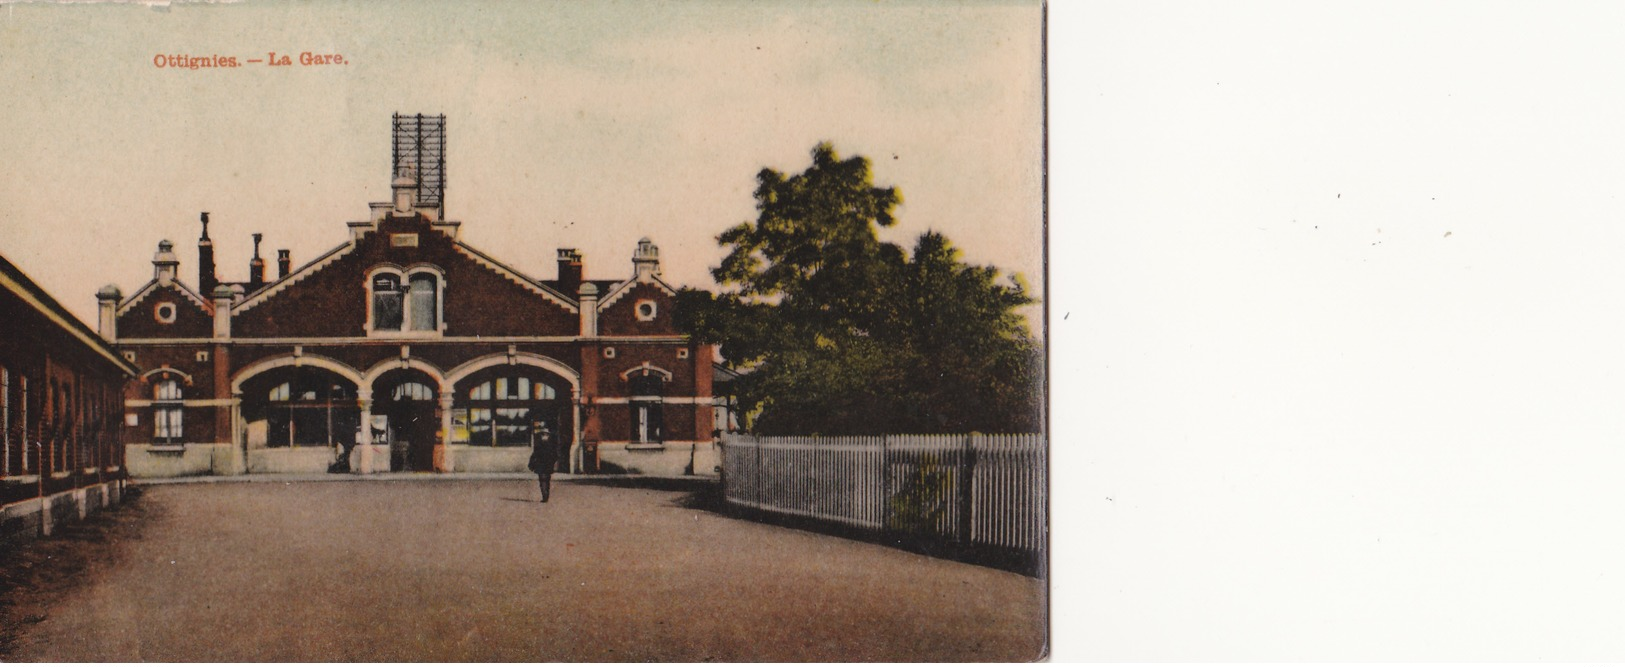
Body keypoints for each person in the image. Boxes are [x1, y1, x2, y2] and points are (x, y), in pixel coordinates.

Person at [527, 422, 559, 502]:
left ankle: (545, 495)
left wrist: (554, 462)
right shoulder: (540, 443)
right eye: (543, 434)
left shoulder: (550, 444)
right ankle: (545, 495)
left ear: (548, 435)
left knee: (546, 480)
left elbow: (555, 455)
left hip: (547, 464)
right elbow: (534, 454)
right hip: (541, 464)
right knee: (543, 480)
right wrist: (531, 463)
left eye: (545, 434)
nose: (544, 436)